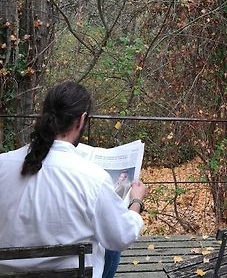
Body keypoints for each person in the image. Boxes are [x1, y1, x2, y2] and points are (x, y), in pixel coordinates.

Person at [0, 81, 148, 278]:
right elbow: (122, 237)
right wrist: (136, 202)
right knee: (108, 240)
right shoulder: (92, 177)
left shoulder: (3, 164)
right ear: (82, 119)